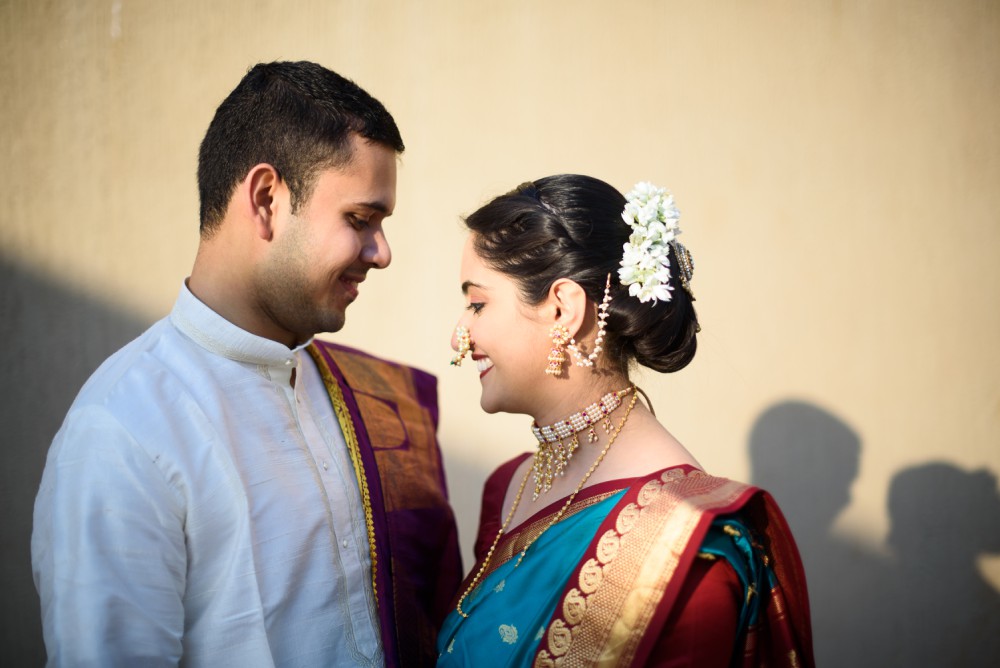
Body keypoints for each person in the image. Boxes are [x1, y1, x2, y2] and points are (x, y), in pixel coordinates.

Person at [32, 61, 461, 667]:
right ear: (266, 198)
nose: (381, 253)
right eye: (360, 220)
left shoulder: (364, 391)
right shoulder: (124, 430)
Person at [438, 175, 813, 666]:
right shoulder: (507, 490)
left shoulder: (688, 552)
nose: (458, 338)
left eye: (477, 304)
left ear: (563, 308)